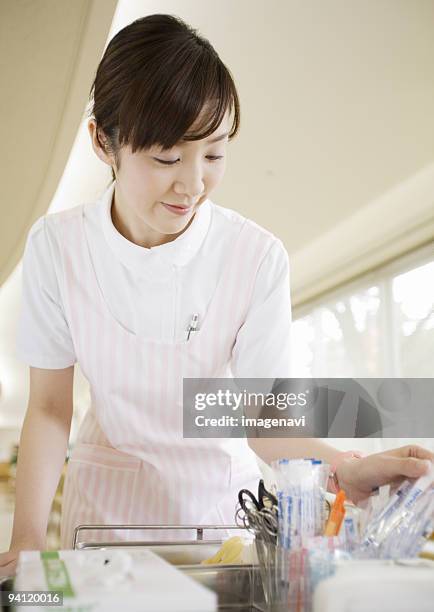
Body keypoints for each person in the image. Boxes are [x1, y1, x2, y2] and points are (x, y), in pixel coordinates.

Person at [1, 14, 432, 577]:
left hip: (217, 522)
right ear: (103, 142)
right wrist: (28, 538)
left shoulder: (255, 258)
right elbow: (51, 407)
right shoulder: (57, 248)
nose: (192, 183)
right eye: (166, 157)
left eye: (214, 153)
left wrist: (344, 468)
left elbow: (264, 420)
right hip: (103, 517)